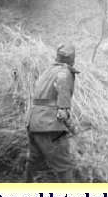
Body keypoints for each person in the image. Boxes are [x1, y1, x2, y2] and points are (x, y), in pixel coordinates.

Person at [25, 44, 79, 183]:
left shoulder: (47, 71)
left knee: (34, 158)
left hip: (33, 122)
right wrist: (71, 126)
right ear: (71, 60)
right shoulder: (64, 74)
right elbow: (62, 112)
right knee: (65, 166)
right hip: (49, 126)